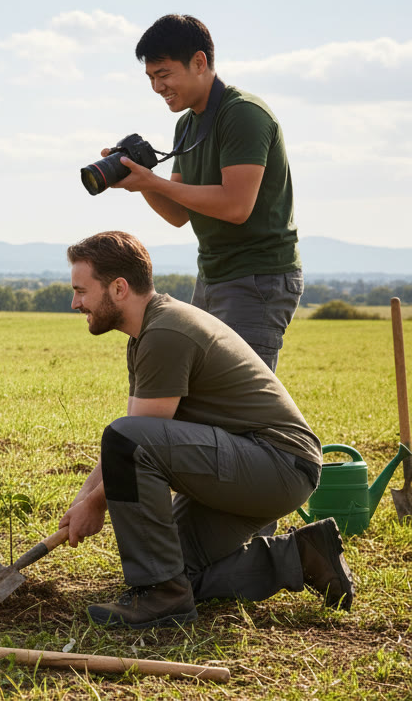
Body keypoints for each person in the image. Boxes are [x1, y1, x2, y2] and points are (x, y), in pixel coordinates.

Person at [60, 231, 353, 629]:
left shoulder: (165, 332)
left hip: (277, 464)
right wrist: (83, 500)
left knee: (160, 574)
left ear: (119, 287)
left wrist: (95, 506)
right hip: (252, 465)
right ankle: (301, 556)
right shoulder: (148, 331)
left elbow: (132, 440)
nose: (75, 302)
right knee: (179, 571)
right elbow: (128, 442)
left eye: (81, 291)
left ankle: (161, 596)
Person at [107, 14, 302, 371]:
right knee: (208, 388)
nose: (156, 87)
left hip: (257, 277)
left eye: (163, 74)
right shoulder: (188, 123)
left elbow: (236, 205)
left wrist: (151, 182)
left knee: (242, 398)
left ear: (199, 62)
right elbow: (179, 213)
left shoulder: (242, 114)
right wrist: (139, 180)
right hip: (213, 274)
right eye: (150, 78)